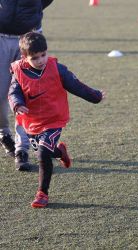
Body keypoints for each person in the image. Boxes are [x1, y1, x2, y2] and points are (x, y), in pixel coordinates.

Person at [8, 32, 106, 208]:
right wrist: (17, 104)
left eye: (43, 55)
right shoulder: (18, 71)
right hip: (31, 122)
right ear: (24, 57)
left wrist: (96, 96)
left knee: (42, 153)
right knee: (46, 151)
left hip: (53, 119)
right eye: (35, 58)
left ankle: (42, 194)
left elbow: (76, 85)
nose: (41, 60)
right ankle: (61, 152)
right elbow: (13, 91)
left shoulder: (57, 68)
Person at [0, 0, 53, 171]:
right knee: (1, 95)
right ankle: (3, 133)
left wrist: (32, 13)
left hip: (28, 38)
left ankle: (21, 149)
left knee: (27, 96)